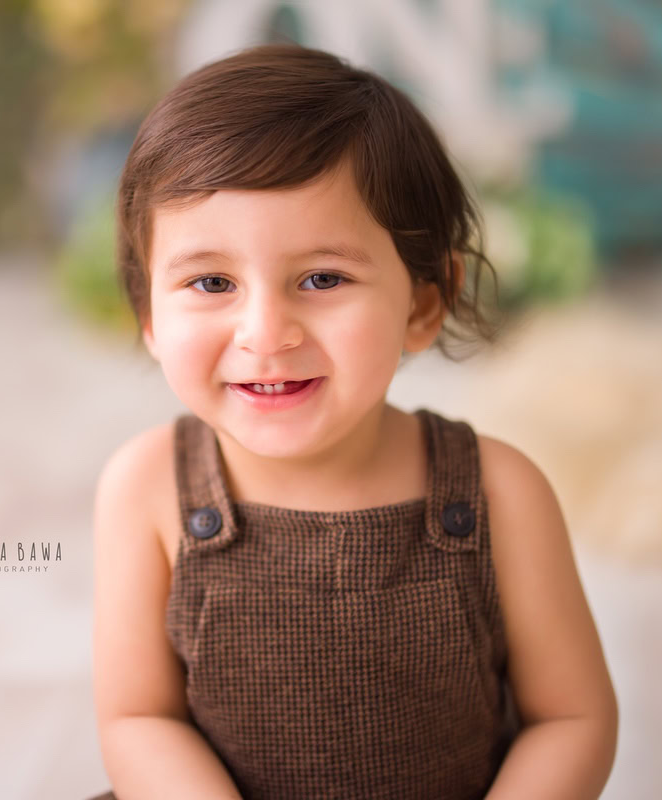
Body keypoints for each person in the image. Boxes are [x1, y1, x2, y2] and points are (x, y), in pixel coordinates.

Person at [89, 44, 617, 800]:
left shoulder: (500, 492)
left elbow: (571, 717)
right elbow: (138, 720)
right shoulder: (146, 489)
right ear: (148, 312)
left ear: (424, 301)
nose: (266, 333)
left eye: (322, 278)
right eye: (212, 282)